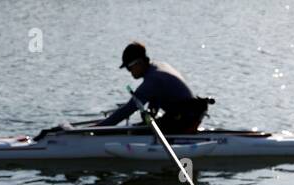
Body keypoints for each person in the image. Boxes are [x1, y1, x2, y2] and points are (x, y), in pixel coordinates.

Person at [78, 41, 212, 134]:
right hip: (186, 114)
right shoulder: (158, 66)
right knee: (140, 128)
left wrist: (97, 129)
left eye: (130, 68)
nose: (129, 72)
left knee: (134, 132)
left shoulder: (153, 80)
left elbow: (128, 109)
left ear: (139, 63)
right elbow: (159, 98)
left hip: (186, 119)